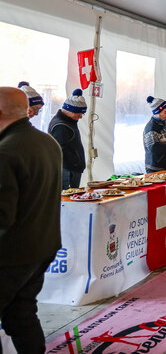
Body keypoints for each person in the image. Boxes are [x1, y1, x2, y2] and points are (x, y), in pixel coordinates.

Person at [0, 87, 62, 353]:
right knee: (22, 314)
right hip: (43, 246)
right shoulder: (48, 142)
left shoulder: (6, 151)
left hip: (11, 254)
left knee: (22, 314)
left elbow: (3, 215)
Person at [49, 89, 87, 189]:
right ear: (71, 110)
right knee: (68, 196)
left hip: (70, 169)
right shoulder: (61, 126)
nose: (80, 116)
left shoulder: (68, 122)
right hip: (67, 171)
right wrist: (75, 163)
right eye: (79, 113)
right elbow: (60, 149)